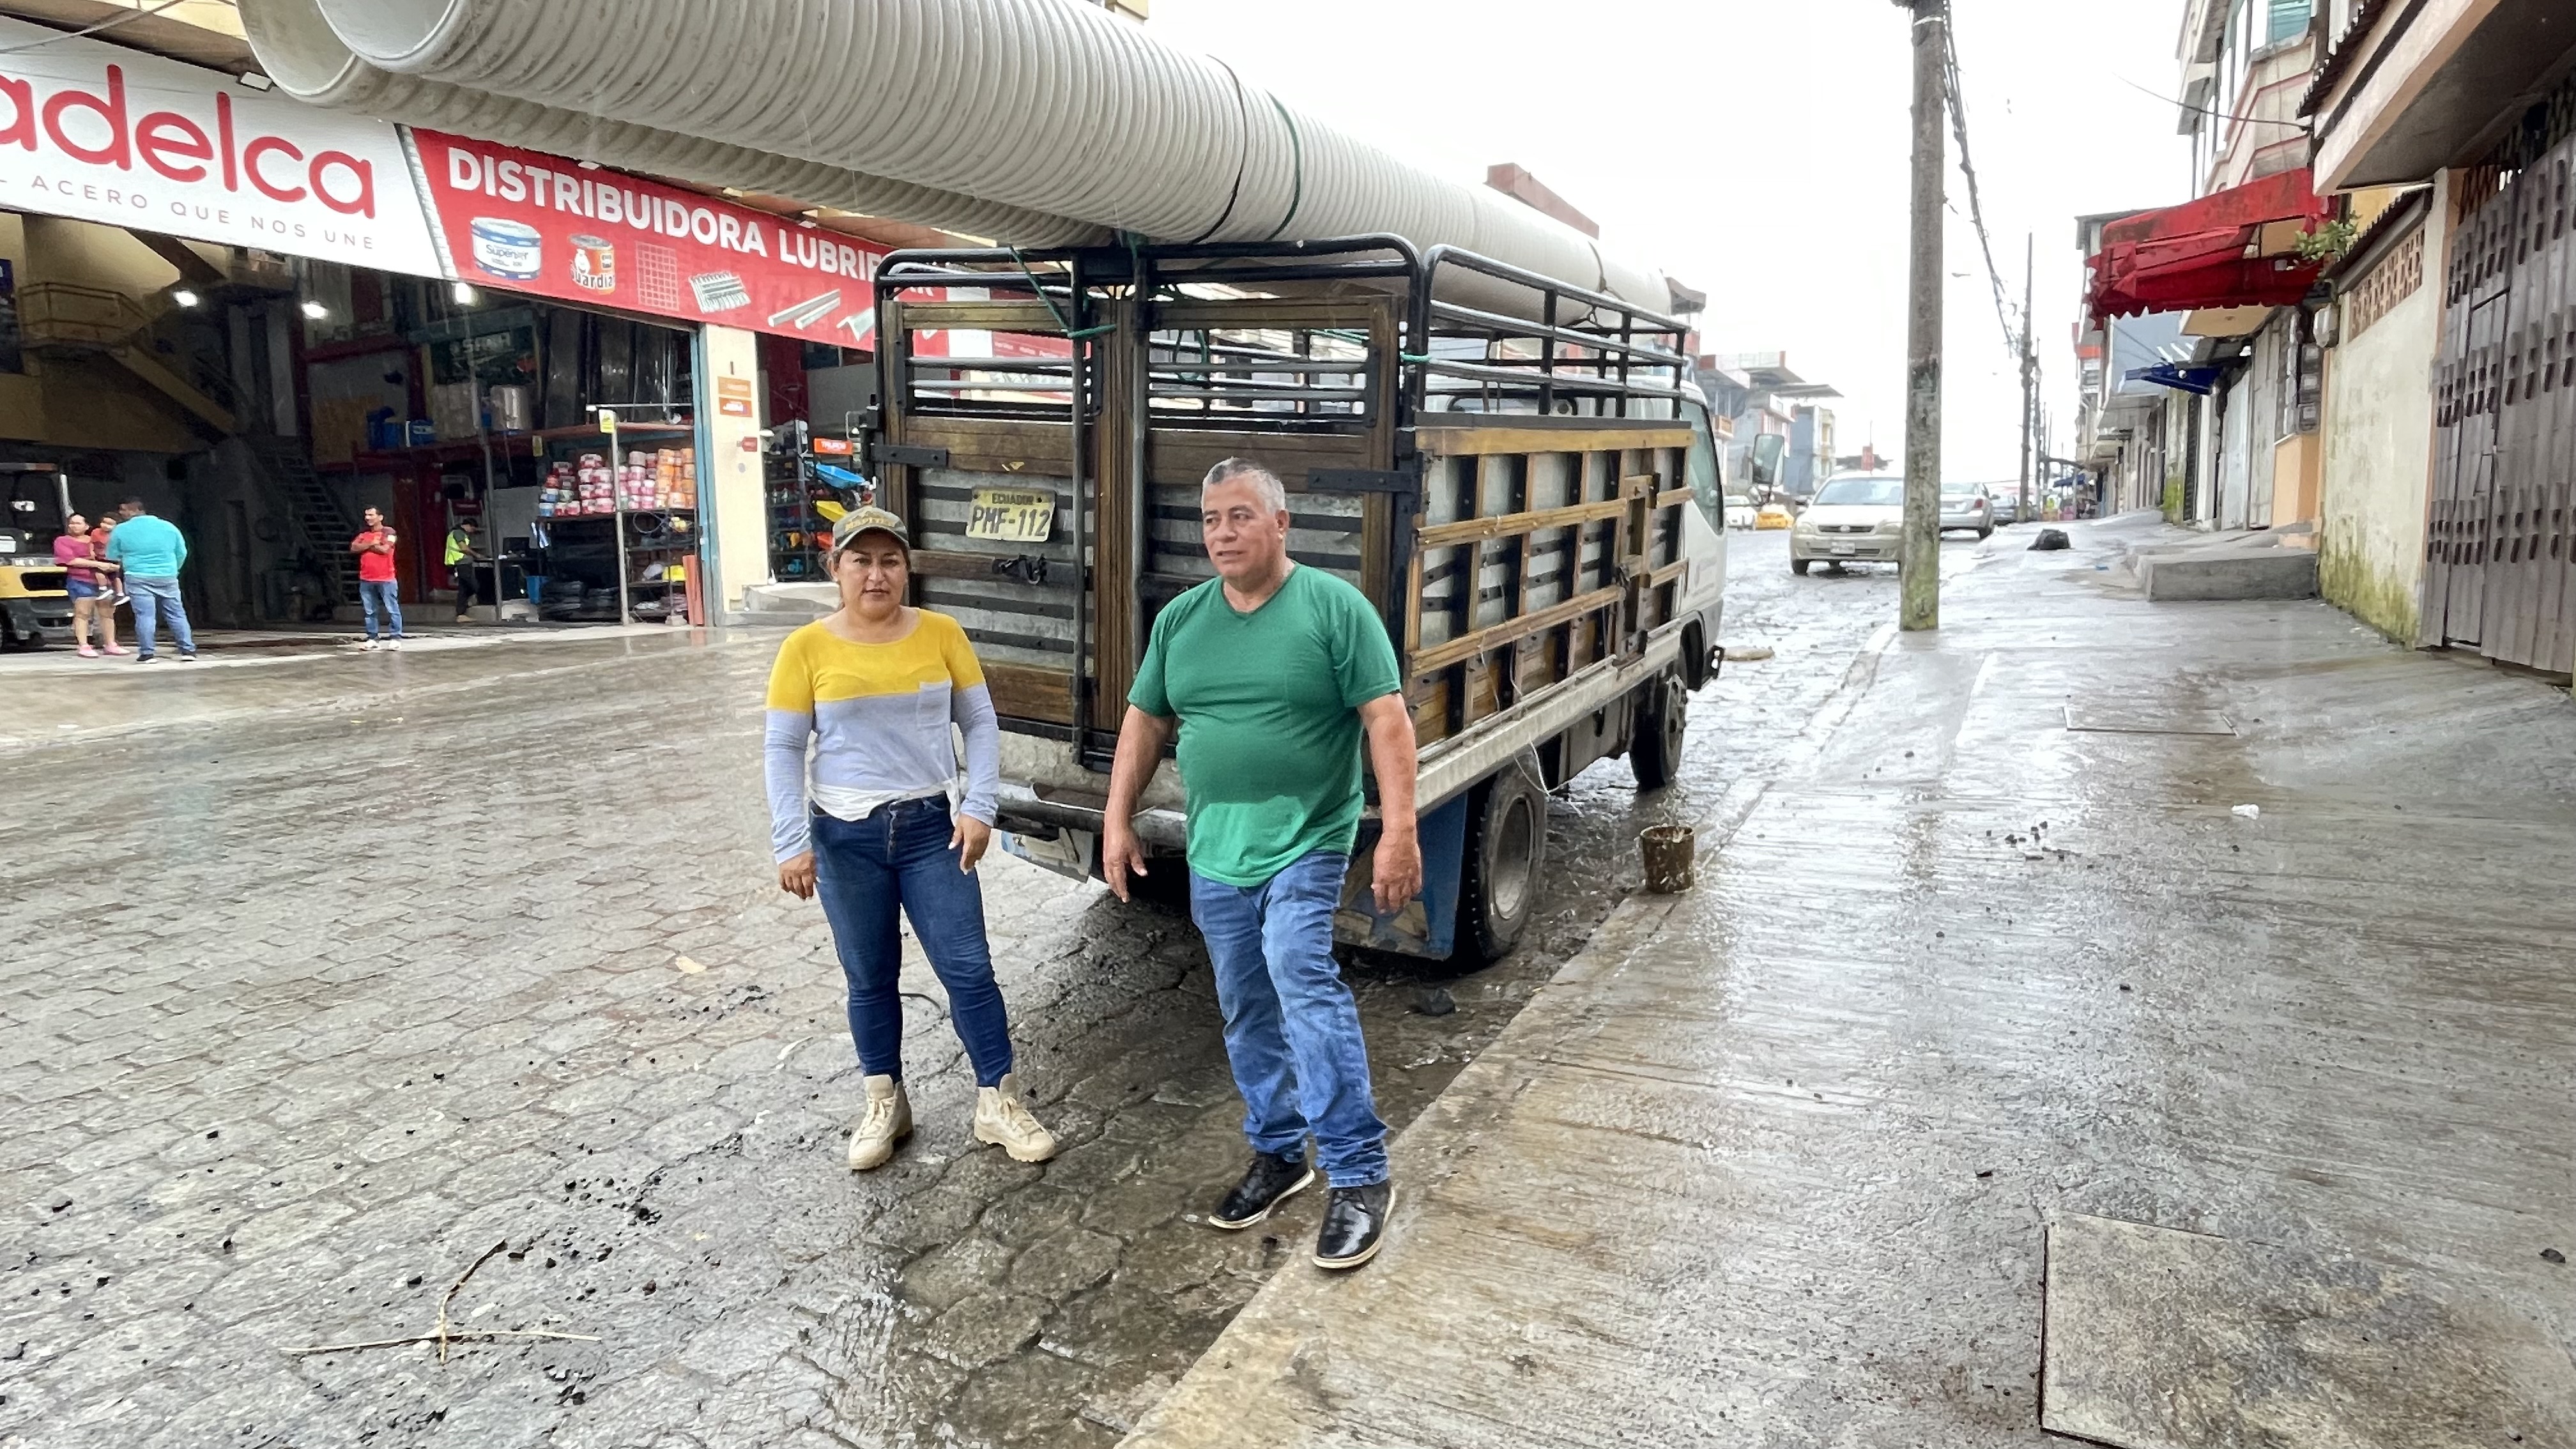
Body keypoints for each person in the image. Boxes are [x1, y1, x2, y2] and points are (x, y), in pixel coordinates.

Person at [1103, 457, 1422, 1271]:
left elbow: (1386, 720)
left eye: (1241, 515)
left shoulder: (1333, 609)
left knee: (1299, 975)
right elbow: (1145, 724)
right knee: (1245, 1004)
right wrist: (1117, 820)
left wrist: (1399, 831)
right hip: (1217, 849)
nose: (1223, 533)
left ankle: (1359, 1172)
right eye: (1212, 519)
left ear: (1282, 524)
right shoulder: (1183, 620)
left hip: (1308, 837)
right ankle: (1280, 1152)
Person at [764, 505, 1058, 1172]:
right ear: (836, 568)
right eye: (861, 561)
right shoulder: (805, 648)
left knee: (969, 969)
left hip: (933, 833)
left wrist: (979, 806)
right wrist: (790, 841)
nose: (876, 575)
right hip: (844, 839)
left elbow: (979, 724)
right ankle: (885, 1102)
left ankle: (998, 1101)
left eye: (890, 561)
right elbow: (783, 748)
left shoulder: (941, 633)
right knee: (870, 976)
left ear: (906, 570)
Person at [103, 499, 194, 664]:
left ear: (134, 510)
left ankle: (147, 653)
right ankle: (187, 650)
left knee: (145, 615)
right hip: (167, 576)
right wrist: (174, 569)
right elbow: (182, 552)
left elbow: (112, 555)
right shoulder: (168, 527)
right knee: (176, 613)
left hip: (137, 576)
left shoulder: (121, 530)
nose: (121, 513)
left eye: (123, 510)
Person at [53, 513, 123, 657]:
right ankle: (83, 645)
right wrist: (98, 565)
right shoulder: (62, 541)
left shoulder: (95, 539)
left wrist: (113, 566)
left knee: (108, 614)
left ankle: (111, 643)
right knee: (83, 613)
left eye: (78, 523)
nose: (74, 526)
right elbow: (70, 560)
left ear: (86, 526)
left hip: (105, 581)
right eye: (72, 523)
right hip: (80, 580)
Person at [350, 507, 403, 650]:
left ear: (380, 517)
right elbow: (353, 548)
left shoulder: (389, 532)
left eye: (371, 515)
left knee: (392, 609)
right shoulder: (364, 534)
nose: (368, 518)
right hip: (366, 578)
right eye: (366, 515)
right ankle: (372, 638)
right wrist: (371, 544)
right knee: (369, 611)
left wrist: (364, 547)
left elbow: (385, 550)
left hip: (386, 578)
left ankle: (395, 638)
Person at [444, 518, 483, 624]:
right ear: (468, 526)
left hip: (463, 563)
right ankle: (463, 607)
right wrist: (476, 555)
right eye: (473, 529)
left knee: (464, 588)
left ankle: (461, 613)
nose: (472, 532)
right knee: (473, 585)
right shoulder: (458, 533)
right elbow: (464, 548)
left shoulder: (459, 533)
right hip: (462, 563)